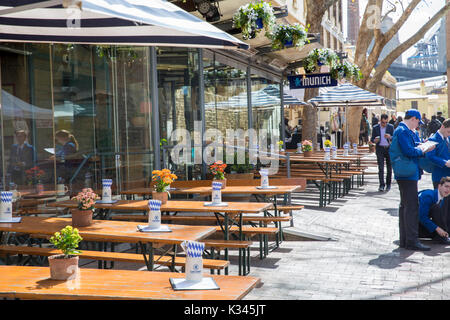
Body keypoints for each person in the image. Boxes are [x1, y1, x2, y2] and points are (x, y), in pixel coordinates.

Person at [391, 109, 436, 251]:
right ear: (413, 119)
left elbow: (411, 146)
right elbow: (408, 151)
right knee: (411, 207)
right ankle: (411, 240)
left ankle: (406, 239)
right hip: (407, 173)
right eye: (418, 122)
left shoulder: (403, 130)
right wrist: (424, 150)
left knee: (405, 206)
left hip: (406, 172)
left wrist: (423, 144)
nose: (418, 125)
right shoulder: (403, 131)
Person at [418, 177, 450, 244]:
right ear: (439, 186)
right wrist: (438, 229)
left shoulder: (442, 197)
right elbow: (422, 217)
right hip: (414, 227)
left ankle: (443, 235)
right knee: (436, 208)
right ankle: (443, 237)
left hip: (422, 225)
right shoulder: (428, 196)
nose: (448, 190)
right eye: (446, 186)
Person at [371, 114, 394, 192]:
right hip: (380, 148)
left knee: (389, 168)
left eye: (385, 122)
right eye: (383, 122)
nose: (384, 124)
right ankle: (381, 185)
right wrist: (375, 140)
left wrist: (390, 137)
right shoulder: (375, 128)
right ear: (380, 121)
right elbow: (372, 139)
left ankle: (388, 184)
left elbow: (394, 138)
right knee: (381, 168)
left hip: (388, 149)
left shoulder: (390, 127)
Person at [425, 118, 450, 189]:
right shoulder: (433, 139)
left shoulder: (448, 138)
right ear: (442, 127)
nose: (449, 134)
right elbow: (430, 156)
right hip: (439, 177)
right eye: (448, 131)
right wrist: (445, 162)